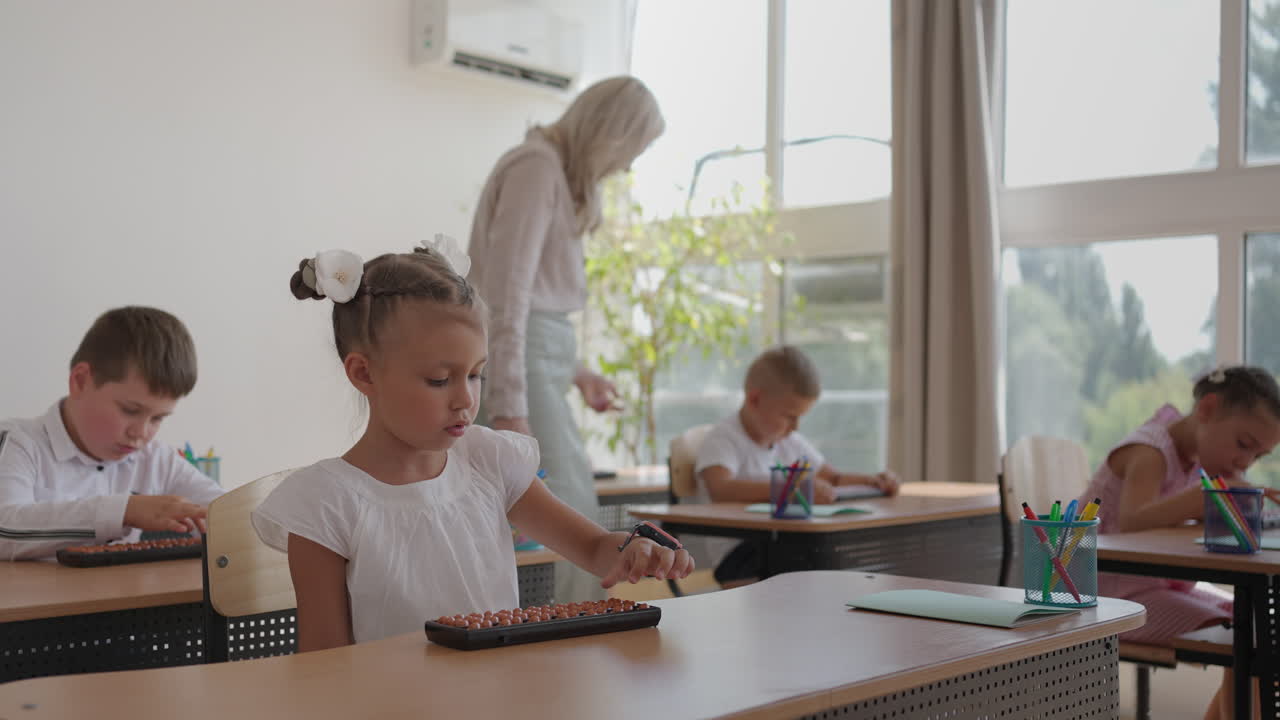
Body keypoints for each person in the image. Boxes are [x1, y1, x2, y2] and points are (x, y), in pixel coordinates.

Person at [253, 242, 693, 651]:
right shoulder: (326, 504)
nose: (466, 399)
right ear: (364, 374)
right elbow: (324, 668)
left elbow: (594, 548)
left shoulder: (489, 461)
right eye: (440, 380)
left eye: (476, 374)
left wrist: (635, 552)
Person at [468, 75, 666, 602]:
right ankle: (578, 645)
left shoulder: (552, 174)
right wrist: (509, 408)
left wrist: (577, 373)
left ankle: (570, 641)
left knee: (554, 518)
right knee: (574, 517)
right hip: (520, 372)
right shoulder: (536, 169)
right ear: (611, 135)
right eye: (632, 150)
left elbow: (538, 306)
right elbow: (507, 297)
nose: (626, 166)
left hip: (537, 365)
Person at [1077, 365, 1280, 720]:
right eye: (1243, 444)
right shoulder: (1150, 451)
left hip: (1161, 586)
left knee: (1261, 625)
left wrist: (1242, 505)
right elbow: (1133, 522)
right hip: (1109, 595)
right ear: (1207, 409)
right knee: (1247, 638)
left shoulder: (1192, 458)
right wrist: (1206, 497)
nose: (1244, 461)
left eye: (1257, 456)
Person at [0, 306, 220, 560]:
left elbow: (225, 516)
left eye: (158, 418)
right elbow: (4, 528)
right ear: (81, 380)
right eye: (129, 410)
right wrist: (123, 511)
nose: (141, 433)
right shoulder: (17, 444)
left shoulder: (157, 459)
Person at [693, 345, 899, 586]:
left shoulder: (789, 441)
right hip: (741, 552)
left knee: (831, 550)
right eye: (789, 416)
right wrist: (791, 490)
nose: (795, 427)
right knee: (816, 556)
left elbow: (832, 478)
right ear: (755, 399)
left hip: (786, 542)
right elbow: (720, 489)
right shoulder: (723, 439)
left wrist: (872, 481)